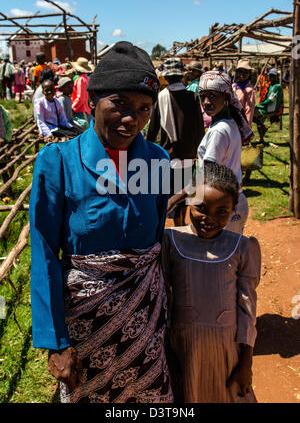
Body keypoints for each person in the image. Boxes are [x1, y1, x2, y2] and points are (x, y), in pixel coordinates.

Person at [30, 41, 174, 403]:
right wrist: (57, 341)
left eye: (143, 108)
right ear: (92, 101)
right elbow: (44, 250)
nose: (132, 119)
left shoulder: (156, 159)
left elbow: (155, 242)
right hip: (86, 330)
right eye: (120, 104)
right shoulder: (58, 161)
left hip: (146, 324)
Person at [161, 161, 261, 403]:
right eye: (201, 207)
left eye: (221, 211)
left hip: (226, 349)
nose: (209, 218)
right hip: (184, 346)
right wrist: (179, 196)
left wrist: (246, 362)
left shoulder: (241, 247)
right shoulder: (171, 241)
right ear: (188, 202)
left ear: (233, 209)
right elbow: (163, 294)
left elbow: (247, 309)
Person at [168, 70, 253, 234]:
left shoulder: (218, 132)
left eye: (213, 96)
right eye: (203, 96)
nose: (206, 102)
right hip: (232, 201)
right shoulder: (229, 124)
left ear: (226, 98)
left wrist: (173, 200)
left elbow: (205, 176)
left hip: (222, 206)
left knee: (219, 255)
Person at [147, 58, 205, 226]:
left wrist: (149, 147)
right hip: (187, 154)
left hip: (167, 154)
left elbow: (153, 129)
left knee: (167, 192)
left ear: (166, 77)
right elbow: (199, 127)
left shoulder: (161, 98)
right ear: (182, 76)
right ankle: (181, 222)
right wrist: (198, 150)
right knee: (184, 190)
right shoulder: (192, 96)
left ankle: (166, 226)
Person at [253, 68, 283, 143]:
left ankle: (262, 127)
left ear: (277, 77)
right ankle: (261, 138)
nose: (271, 77)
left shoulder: (277, 86)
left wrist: (260, 105)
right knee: (258, 121)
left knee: (250, 114)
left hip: (270, 109)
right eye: (270, 76)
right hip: (266, 107)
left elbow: (270, 99)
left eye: (273, 76)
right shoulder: (269, 85)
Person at [232, 60, 256, 126]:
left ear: (249, 74)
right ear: (237, 72)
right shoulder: (233, 86)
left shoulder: (249, 90)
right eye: (240, 71)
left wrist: (246, 128)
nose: (242, 74)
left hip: (240, 123)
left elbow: (249, 111)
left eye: (245, 72)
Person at [71, 57, 93, 130]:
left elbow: (80, 97)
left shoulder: (80, 80)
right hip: (87, 108)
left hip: (81, 109)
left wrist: (73, 108)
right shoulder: (87, 78)